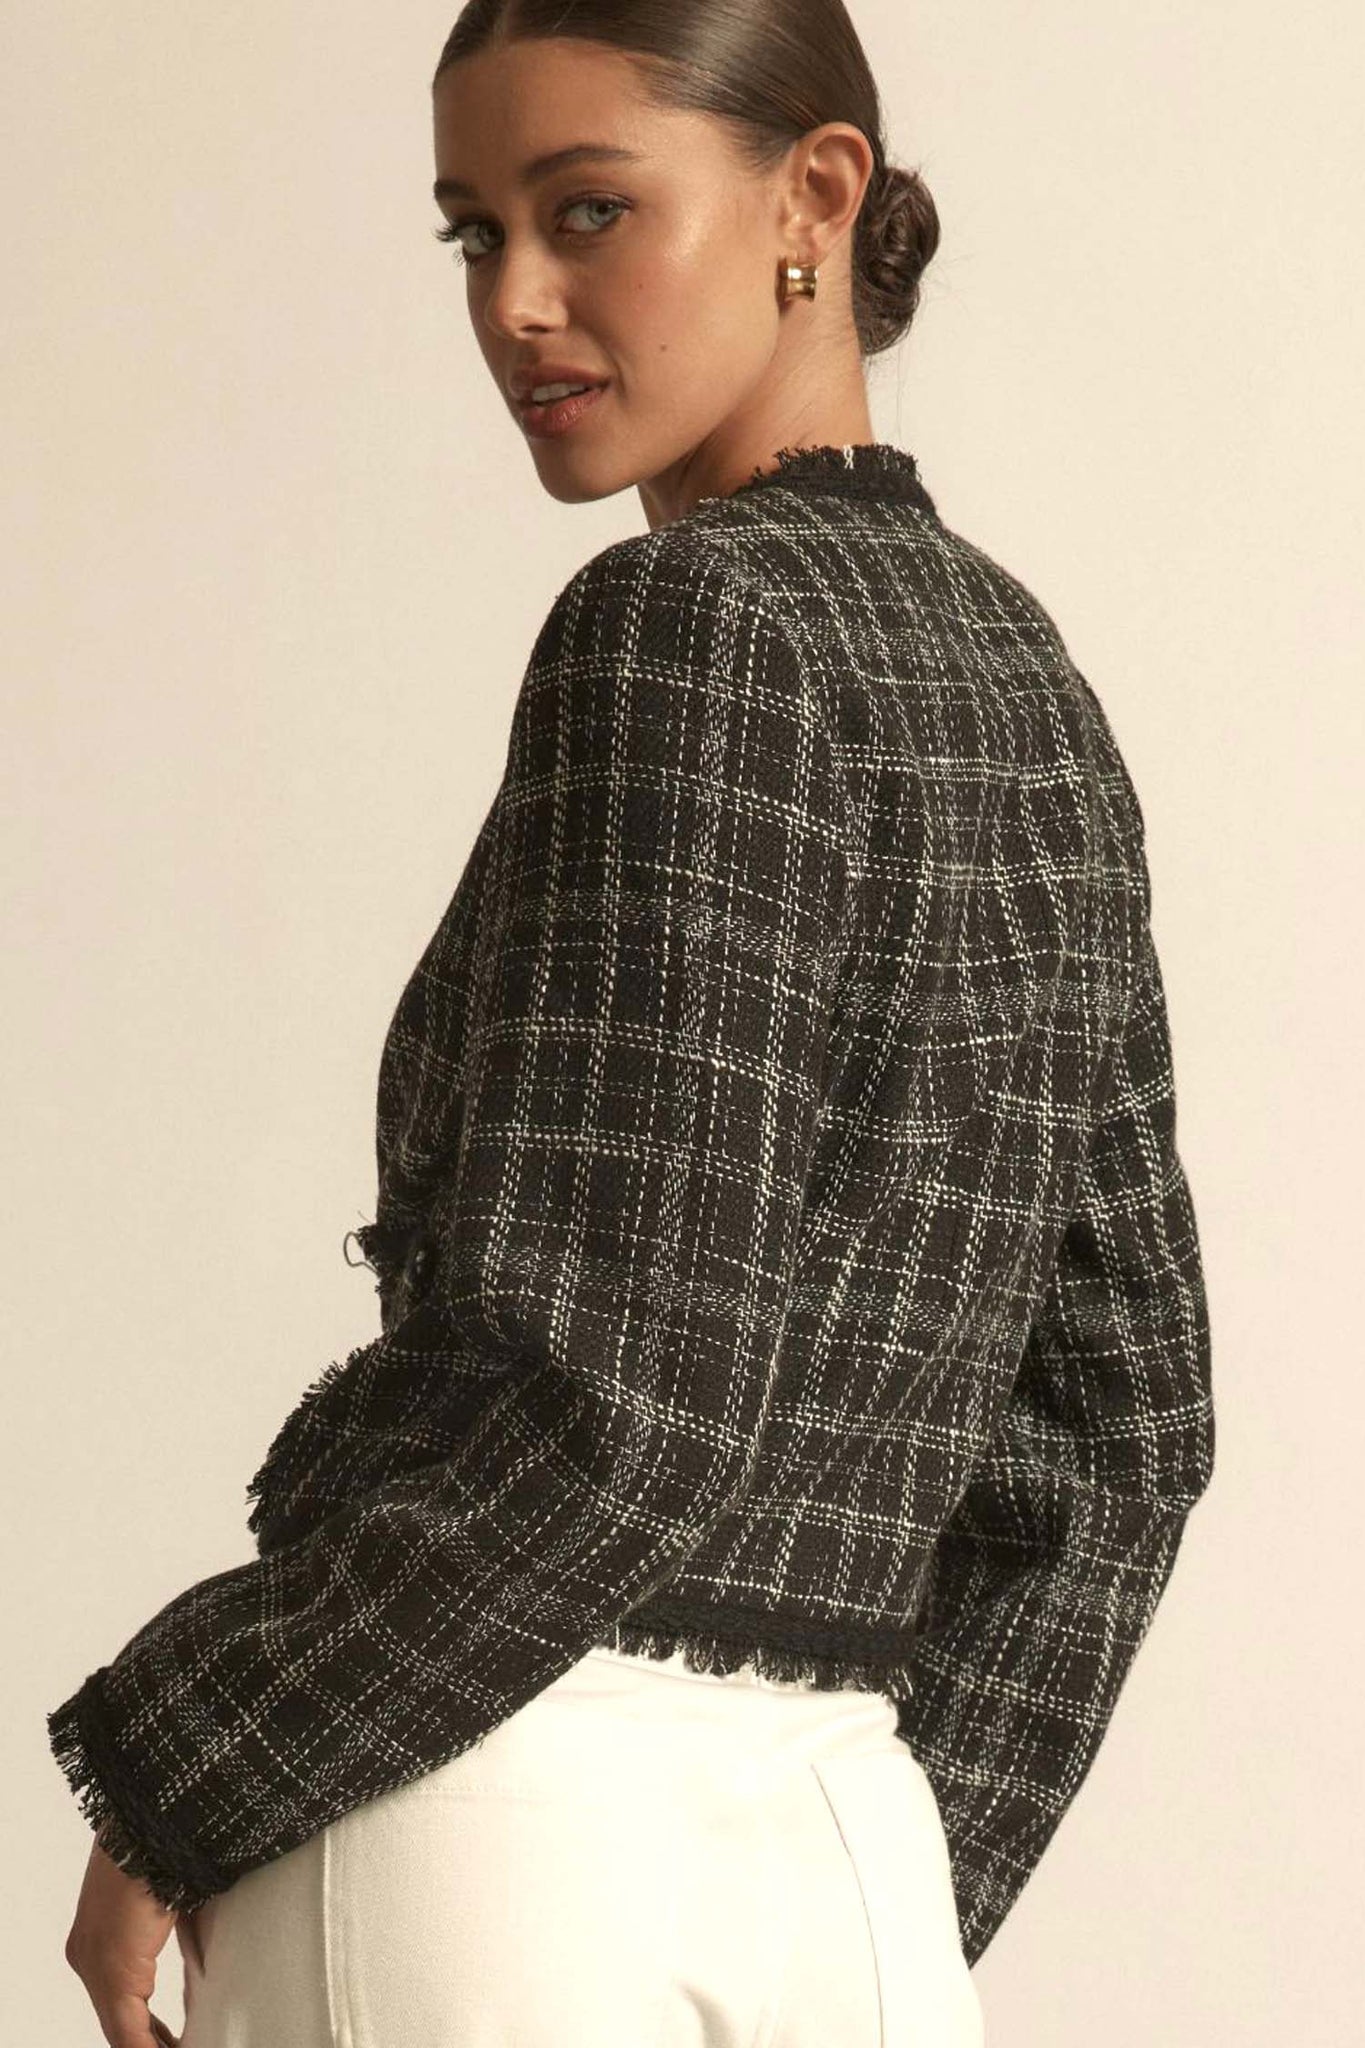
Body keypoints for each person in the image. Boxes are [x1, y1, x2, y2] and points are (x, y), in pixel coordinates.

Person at [52, 4, 1217, 2045]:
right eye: (470, 232)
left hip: (485, 1809)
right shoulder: (1026, 685)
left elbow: (615, 1394)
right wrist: (889, 1843)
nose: (514, 301)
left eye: (586, 211)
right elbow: (1125, 1422)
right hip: (839, 1843)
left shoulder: (685, 624)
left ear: (813, 197)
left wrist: (194, 1761)